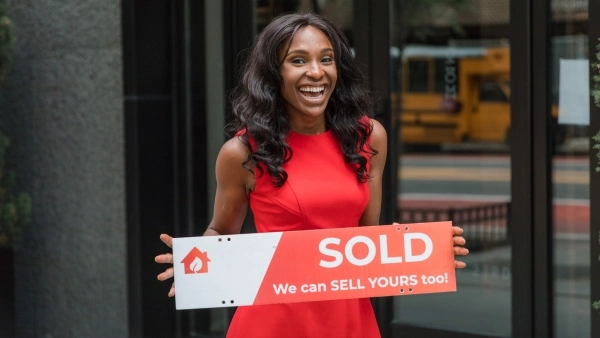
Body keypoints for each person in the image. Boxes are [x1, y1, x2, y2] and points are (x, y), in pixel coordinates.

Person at [155, 12, 469, 338]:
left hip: (349, 318)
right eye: (298, 60)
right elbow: (221, 230)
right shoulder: (242, 153)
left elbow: (366, 239)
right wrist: (194, 265)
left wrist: (424, 250)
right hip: (274, 321)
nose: (316, 72)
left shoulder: (369, 138)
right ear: (274, 74)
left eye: (327, 59)